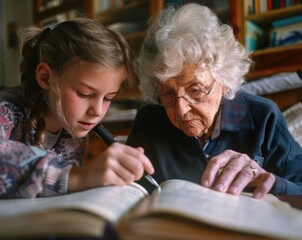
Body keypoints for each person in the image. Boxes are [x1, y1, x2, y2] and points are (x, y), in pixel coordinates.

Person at [126, 3, 302, 199]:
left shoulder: (263, 116)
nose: (182, 110)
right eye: (168, 94)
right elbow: (130, 189)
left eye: (196, 90)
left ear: (224, 81)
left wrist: (272, 181)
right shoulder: (148, 120)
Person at [0, 18, 154, 199]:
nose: (97, 111)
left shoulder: (75, 137)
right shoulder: (4, 110)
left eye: (108, 98)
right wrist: (77, 176)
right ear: (45, 77)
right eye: (84, 94)